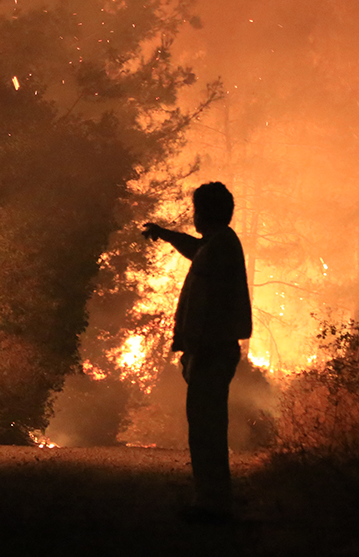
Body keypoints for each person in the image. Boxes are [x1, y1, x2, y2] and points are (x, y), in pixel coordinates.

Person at [142, 182, 252, 524]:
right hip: (212, 348)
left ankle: (212, 505)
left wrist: (195, 348)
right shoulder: (219, 244)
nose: (194, 216)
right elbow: (197, 249)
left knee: (206, 429)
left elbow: (207, 304)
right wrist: (166, 234)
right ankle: (211, 501)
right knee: (207, 426)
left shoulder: (220, 247)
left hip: (211, 349)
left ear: (205, 212)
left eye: (197, 209)